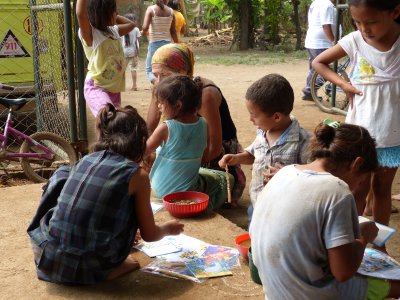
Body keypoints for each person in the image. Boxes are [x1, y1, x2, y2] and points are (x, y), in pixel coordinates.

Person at [27, 104, 184, 285]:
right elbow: (149, 235)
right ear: (140, 142)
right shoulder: (137, 175)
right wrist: (168, 229)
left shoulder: (85, 160)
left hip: (47, 257)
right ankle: (110, 270)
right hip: (87, 268)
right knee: (132, 207)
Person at [250, 121, 400, 299]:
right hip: (313, 294)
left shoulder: (284, 172)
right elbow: (343, 272)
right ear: (357, 164)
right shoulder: (337, 191)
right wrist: (363, 236)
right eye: (361, 180)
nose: (358, 186)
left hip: (276, 290)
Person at [312, 0, 400, 250]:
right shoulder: (354, 41)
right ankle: (352, 241)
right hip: (360, 133)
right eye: (358, 22)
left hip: (392, 133)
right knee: (357, 188)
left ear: (395, 12)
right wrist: (343, 84)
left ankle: (379, 244)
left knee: (381, 189)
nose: (364, 29)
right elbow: (319, 62)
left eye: (371, 22)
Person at [146, 43, 246, 207]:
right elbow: (149, 128)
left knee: (220, 182)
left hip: (214, 154)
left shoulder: (205, 95)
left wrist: (184, 164)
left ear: (184, 71)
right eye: (155, 75)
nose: (158, 81)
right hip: (186, 149)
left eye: (165, 75)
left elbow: (214, 148)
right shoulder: (164, 87)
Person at [218, 74, 310, 224]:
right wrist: (238, 158)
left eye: (253, 115)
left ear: (276, 117)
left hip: (286, 212)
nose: (250, 119)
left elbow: (315, 174)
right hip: (258, 204)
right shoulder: (263, 131)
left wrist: (288, 174)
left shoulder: (303, 141)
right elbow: (255, 154)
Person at [145, 75, 233, 209]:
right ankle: (206, 206)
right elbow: (204, 156)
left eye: (162, 103)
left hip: (159, 189)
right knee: (226, 178)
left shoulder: (166, 127)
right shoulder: (204, 124)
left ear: (178, 105)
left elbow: (143, 151)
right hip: (186, 192)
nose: (159, 106)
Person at [76, 0, 136, 116]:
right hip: (97, 86)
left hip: (114, 88)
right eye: (115, 10)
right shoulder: (92, 34)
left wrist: (113, 16)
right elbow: (80, 14)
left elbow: (132, 25)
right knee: (109, 117)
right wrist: (107, 14)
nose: (117, 13)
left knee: (111, 126)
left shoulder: (114, 31)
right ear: (105, 13)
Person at [302, 0, 337, 101]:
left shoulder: (316, 2)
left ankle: (309, 92)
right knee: (324, 70)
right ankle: (309, 91)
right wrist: (333, 41)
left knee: (314, 70)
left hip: (312, 41)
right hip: (321, 43)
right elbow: (326, 25)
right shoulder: (327, 4)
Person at [142, 0, 178, 84]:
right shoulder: (171, 12)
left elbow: (145, 27)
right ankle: (165, 86)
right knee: (166, 68)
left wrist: (143, 32)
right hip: (167, 45)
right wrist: (178, 45)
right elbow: (173, 31)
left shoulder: (151, 9)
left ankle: (157, 84)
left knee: (149, 70)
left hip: (154, 44)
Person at [122, 13, 141, 91]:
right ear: (133, 21)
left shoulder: (122, 29)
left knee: (122, 70)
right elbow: (138, 41)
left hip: (123, 51)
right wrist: (138, 51)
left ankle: (121, 86)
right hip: (133, 51)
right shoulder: (136, 29)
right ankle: (134, 86)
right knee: (133, 68)